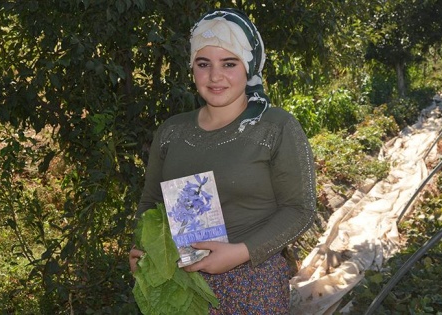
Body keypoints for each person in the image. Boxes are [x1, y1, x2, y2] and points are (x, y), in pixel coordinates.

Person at [130, 8, 317, 314]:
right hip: (181, 285)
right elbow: (151, 202)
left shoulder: (276, 127)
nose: (215, 76)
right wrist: (141, 247)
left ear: (248, 67)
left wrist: (241, 253)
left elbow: (301, 209)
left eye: (229, 63)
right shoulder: (172, 131)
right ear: (192, 68)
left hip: (254, 284)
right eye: (204, 64)